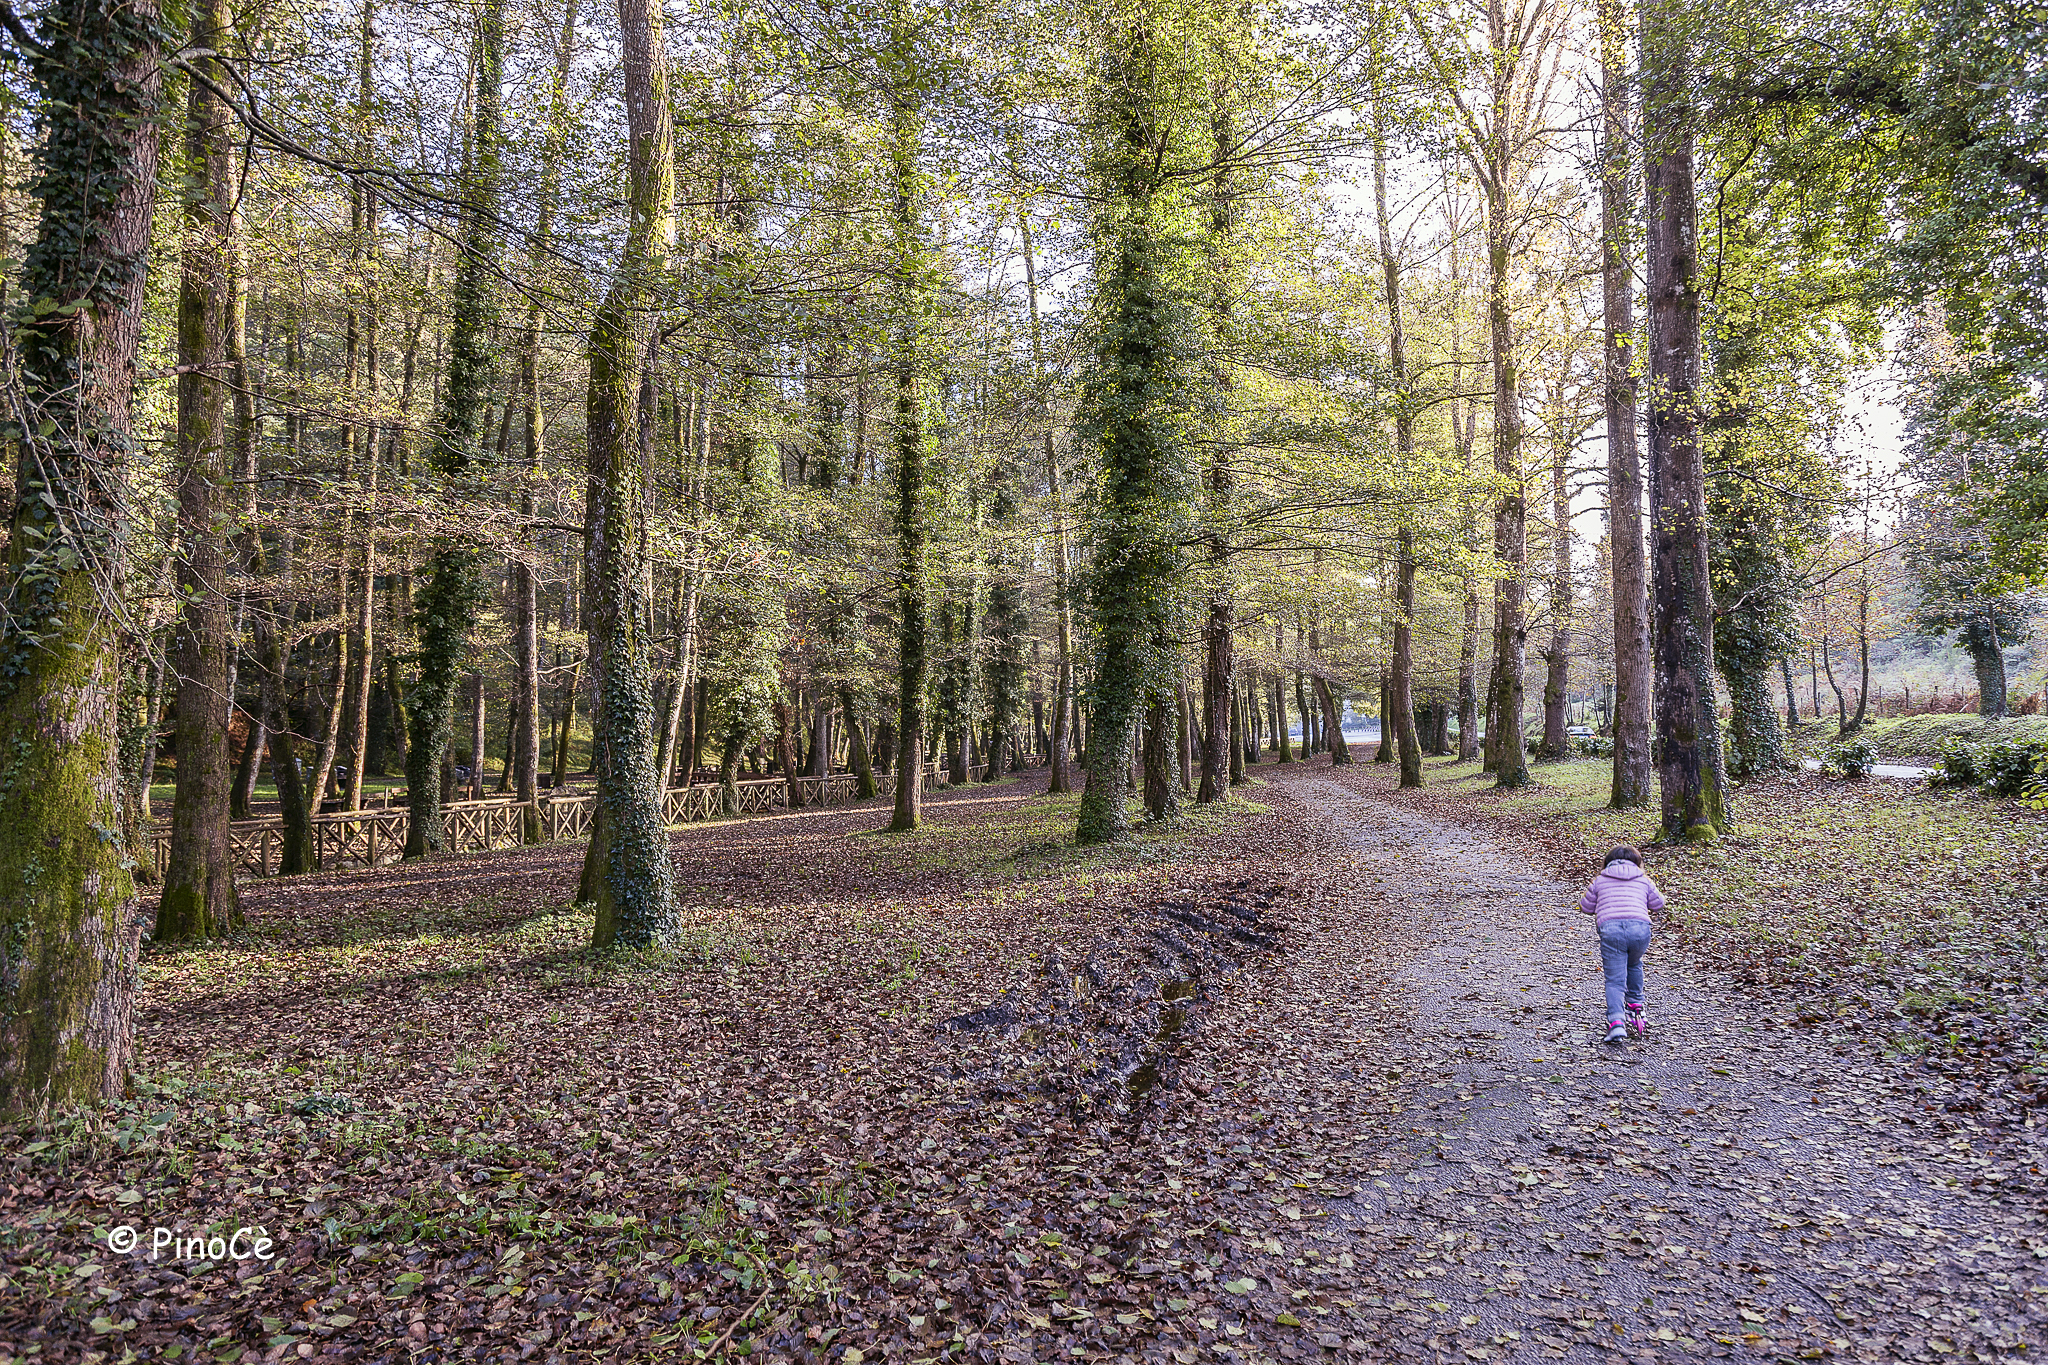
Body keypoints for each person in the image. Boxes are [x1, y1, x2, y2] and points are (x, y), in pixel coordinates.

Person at [1579, 846, 1665, 1043]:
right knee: (1634, 963)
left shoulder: (1600, 880)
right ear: (1637, 862)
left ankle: (1616, 1023)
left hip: (1611, 930)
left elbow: (1585, 906)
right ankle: (1635, 1004)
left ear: (1607, 862)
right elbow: (1658, 904)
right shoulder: (1644, 880)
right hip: (1640, 929)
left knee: (1615, 980)